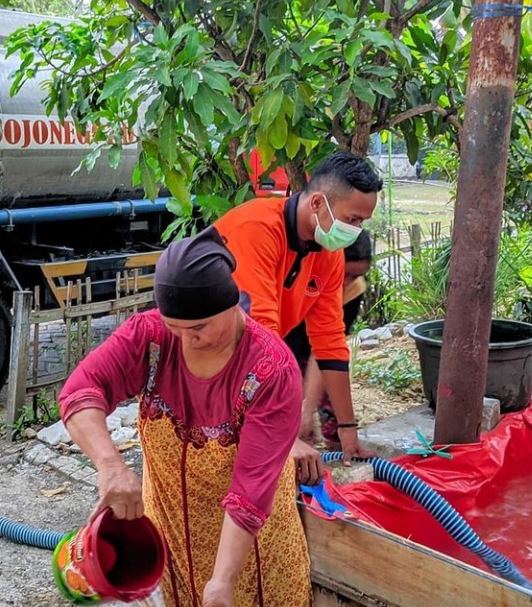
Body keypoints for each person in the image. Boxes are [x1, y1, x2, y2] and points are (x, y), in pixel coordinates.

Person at [58, 229, 311, 607]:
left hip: (249, 547)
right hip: (171, 532)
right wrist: (110, 464)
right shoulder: (151, 337)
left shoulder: (271, 370)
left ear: (231, 305)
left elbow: (250, 494)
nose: (185, 340)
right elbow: (79, 391)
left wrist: (222, 582)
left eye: (198, 328)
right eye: (174, 326)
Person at [212, 151, 382, 480]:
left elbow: (330, 341)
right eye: (353, 220)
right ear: (318, 202)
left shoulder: (328, 254)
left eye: (362, 222)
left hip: (243, 362)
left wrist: (349, 432)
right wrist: (285, 436)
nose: (357, 231)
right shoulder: (257, 229)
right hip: (208, 358)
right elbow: (261, 339)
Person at [285, 230, 373, 450]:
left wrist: (309, 408)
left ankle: (337, 452)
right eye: (344, 274)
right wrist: (301, 408)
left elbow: (326, 351)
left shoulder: (353, 289)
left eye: (355, 275)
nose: (346, 283)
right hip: (283, 340)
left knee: (332, 404)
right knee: (286, 410)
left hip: (319, 347)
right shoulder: (298, 275)